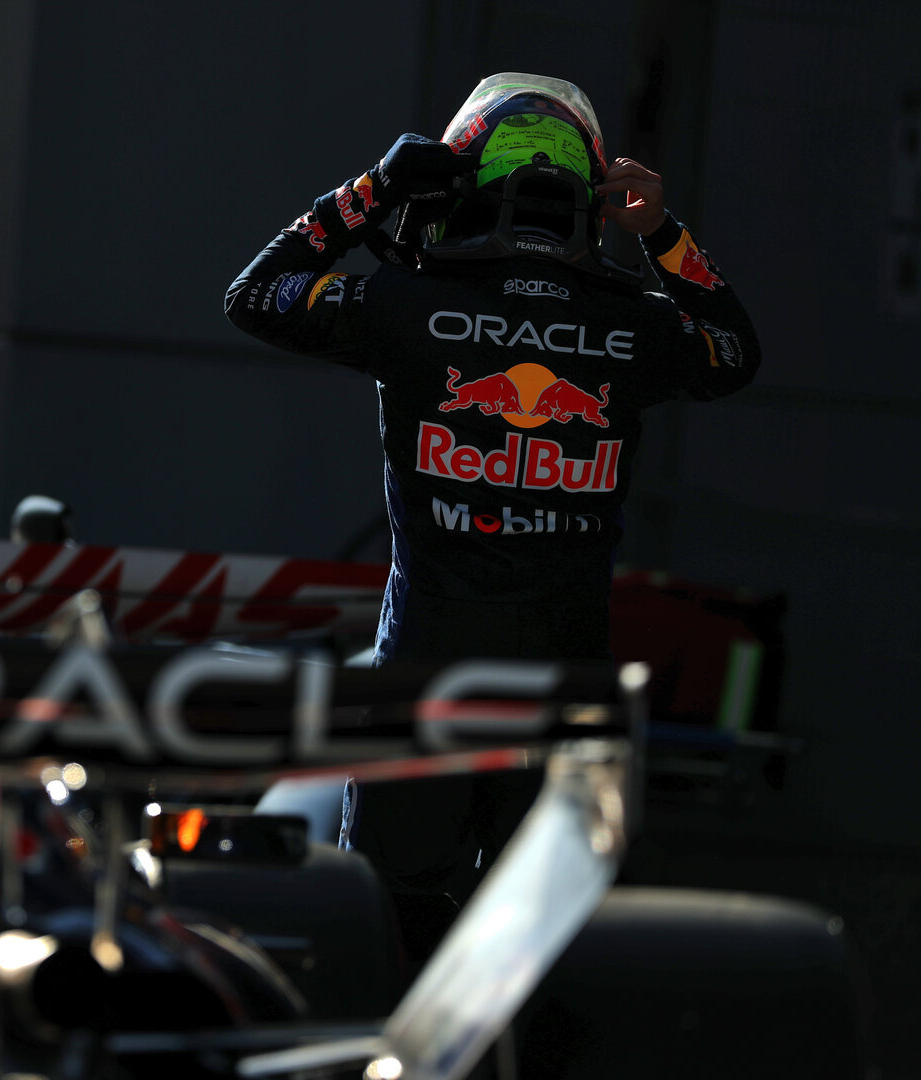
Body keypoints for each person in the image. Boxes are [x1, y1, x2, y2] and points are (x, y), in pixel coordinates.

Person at [225, 73, 761, 953]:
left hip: (424, 679)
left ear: (461, 184)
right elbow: (736, 351)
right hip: (566, 687)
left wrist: (370, 194)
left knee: (390, 931)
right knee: (542, 953)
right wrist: (662, 236)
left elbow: (254, 295)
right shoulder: (637, 327)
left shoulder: (404, 301)